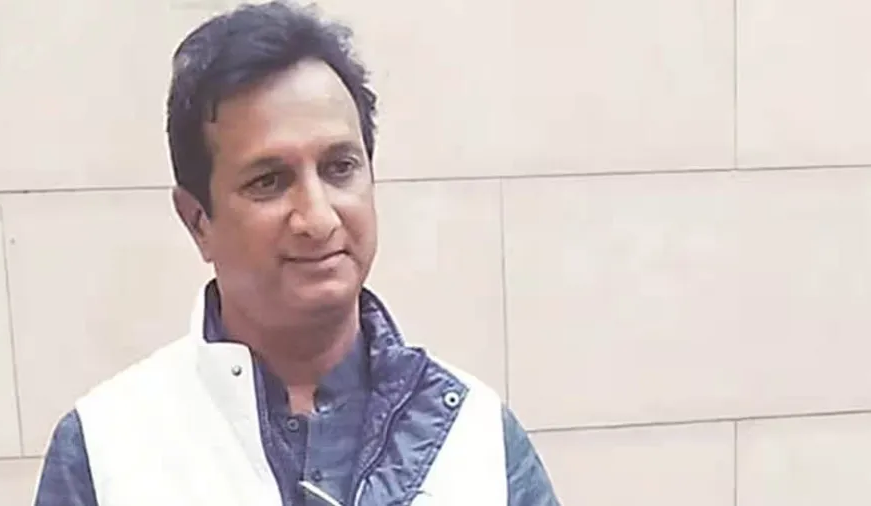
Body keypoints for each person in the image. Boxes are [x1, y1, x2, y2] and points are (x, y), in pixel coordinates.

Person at [32, 2, 559, 505]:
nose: (319, 218)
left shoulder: (477, 438)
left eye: (339, 168)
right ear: (197, 222)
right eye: (269, 181)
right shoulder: (106, 452)